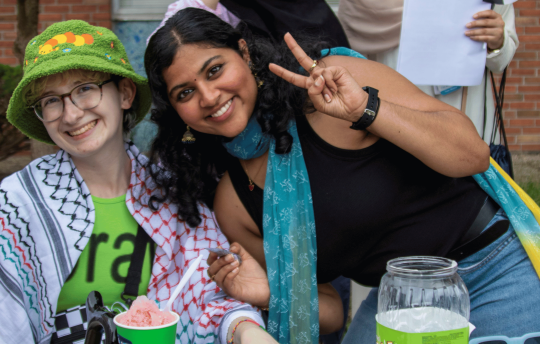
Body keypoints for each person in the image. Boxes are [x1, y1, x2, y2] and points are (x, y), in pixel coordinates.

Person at [144, 8, 540, 343]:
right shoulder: (234, 204)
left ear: (244, 53)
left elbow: (472, 155)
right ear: (177, 113)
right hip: (399, 303)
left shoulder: (332, 84)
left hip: (491, 267)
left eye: (215, 70)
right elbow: (331, 309)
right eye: (185, 93)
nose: (208, 96)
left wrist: (367, 110)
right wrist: (270, 292)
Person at [0, 20, 272, 344]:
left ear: (124, 94)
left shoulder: (175, 196)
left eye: (85, 89)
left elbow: (212, 302)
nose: (71, 114)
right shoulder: (19, 203)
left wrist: (246, 331)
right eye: (51, 101)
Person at [338, 0, 519, 144]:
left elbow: (502, 59)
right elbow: (349, 56)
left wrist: (497, 42)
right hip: (394, 114)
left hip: (466, 111)